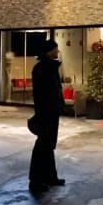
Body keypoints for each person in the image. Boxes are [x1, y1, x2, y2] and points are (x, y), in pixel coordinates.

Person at [28, 38, 65, 196]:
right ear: (49, 51)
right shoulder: (44, 68)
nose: (57, 51)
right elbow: (44, 93)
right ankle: (36, 181)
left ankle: (50, 177)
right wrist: (47, 109)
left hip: (51, 111)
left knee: (48, 145)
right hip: (46, 112)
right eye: (55, 49)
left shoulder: (48, 67)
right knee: (43, 145)